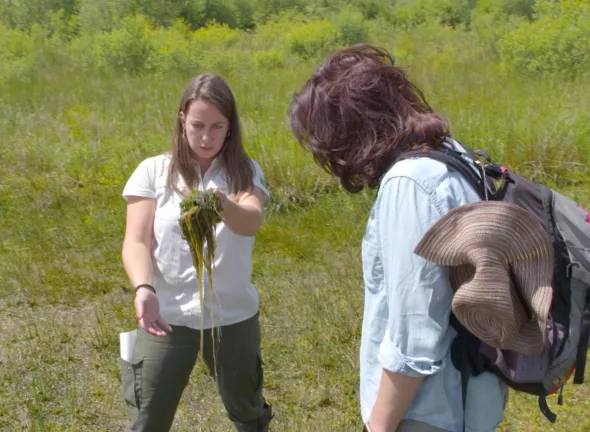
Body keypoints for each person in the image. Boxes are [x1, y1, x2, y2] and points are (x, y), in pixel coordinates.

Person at [287, 44, 508, 432]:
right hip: (473, 394)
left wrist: (379, 426)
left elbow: (413, 341)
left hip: (429, 412)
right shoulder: (452, 155)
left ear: (350, 132)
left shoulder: (410, 184)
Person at [120, 73, 273, 432]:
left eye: (217, 126)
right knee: (147, 418)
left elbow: (250, 221)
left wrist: (223, 205)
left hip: (231, 315)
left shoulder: (245, 172)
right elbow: (136, 241)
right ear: (181, 120)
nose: (206, 137)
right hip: (167, 315)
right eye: (197, 125)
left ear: (231, 126)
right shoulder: (153, 171)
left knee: (247, 410)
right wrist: (144, 288)